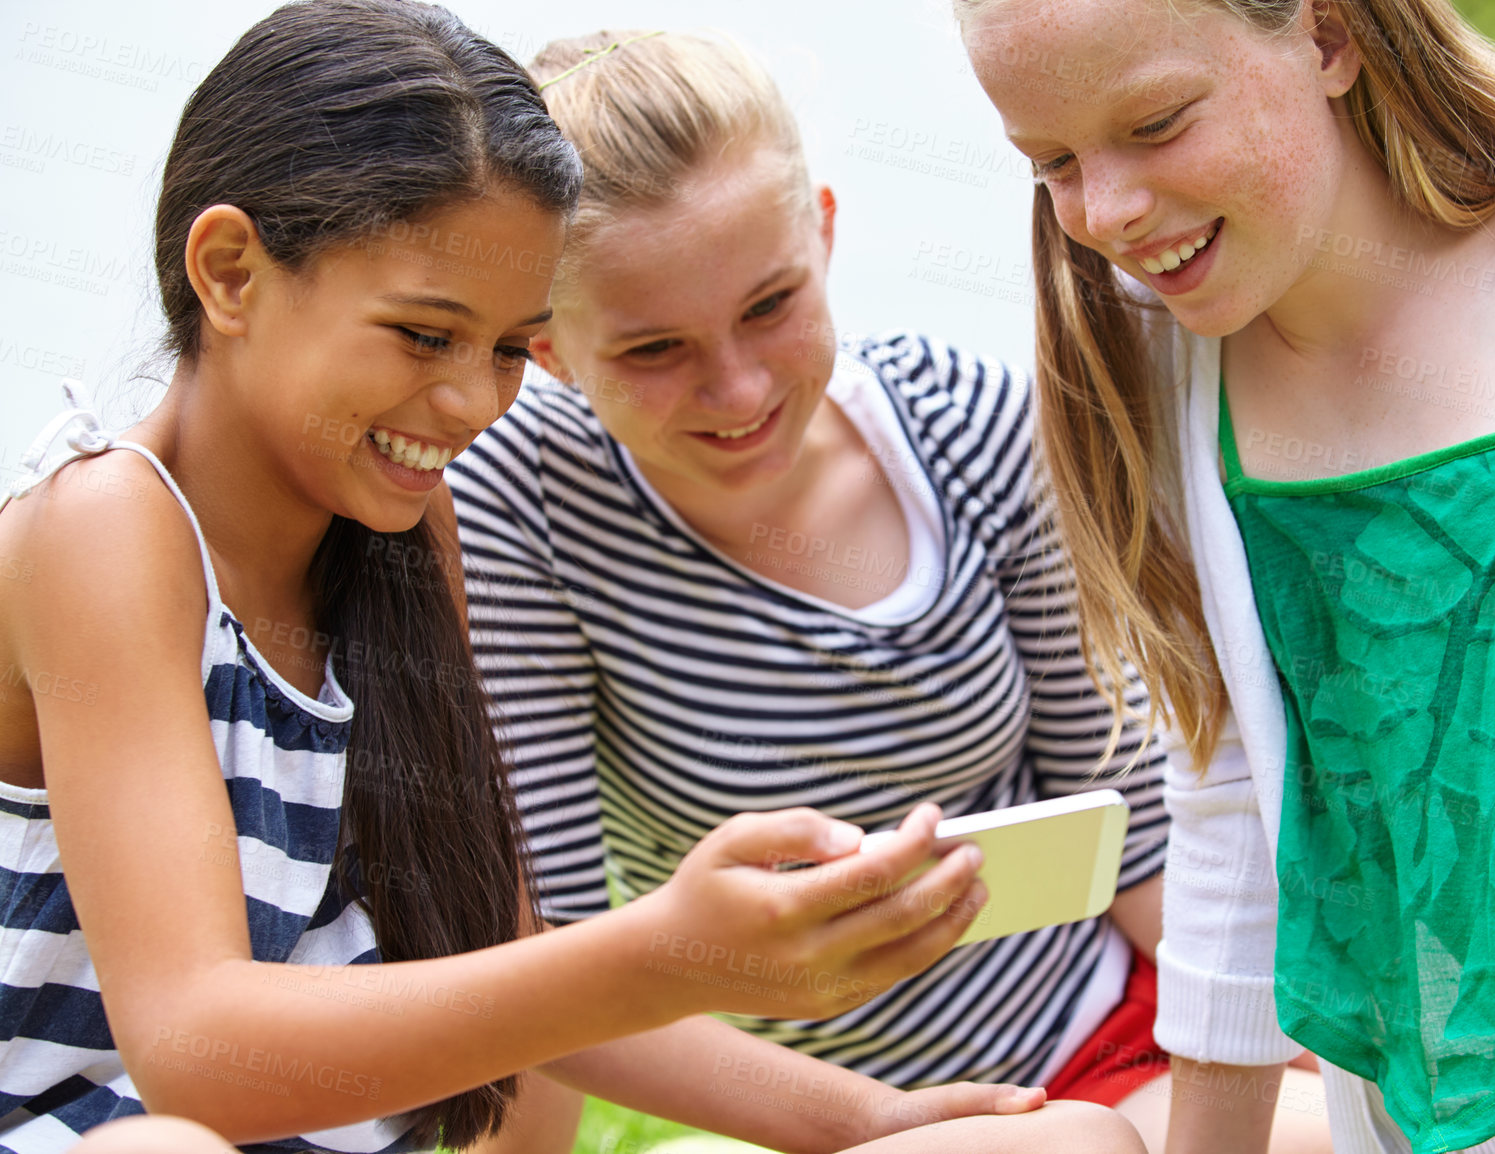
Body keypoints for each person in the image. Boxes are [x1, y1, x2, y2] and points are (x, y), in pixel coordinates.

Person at [0, 3, 1150, 1153]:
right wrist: (663, 953)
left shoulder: (404, 527)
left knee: (1066, 1143)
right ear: (231, 272)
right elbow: (199, 1051)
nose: (470, 405)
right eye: (421, 333)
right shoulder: (106, 525)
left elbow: (492, 960)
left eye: (506, 348)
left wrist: (867, 1116)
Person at [446, 28, 1329, 1154]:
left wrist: (1315, 1052)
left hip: (1111, 1035)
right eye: (655, 349)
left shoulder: (974, 427)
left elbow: (1137, 840)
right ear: (550, 349)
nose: (739, 388)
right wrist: (868, 1121)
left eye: (770, 305)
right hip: (845, 1112)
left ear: (820, 233)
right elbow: (543, 959)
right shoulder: (519, 510)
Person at [952, 0, 1495, 1150]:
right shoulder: (1162, 366)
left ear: (1323, 36)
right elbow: (1232, 812)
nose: (1106, 210)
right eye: (1053, 162)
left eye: (1158, 123)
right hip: (1458, 1112)